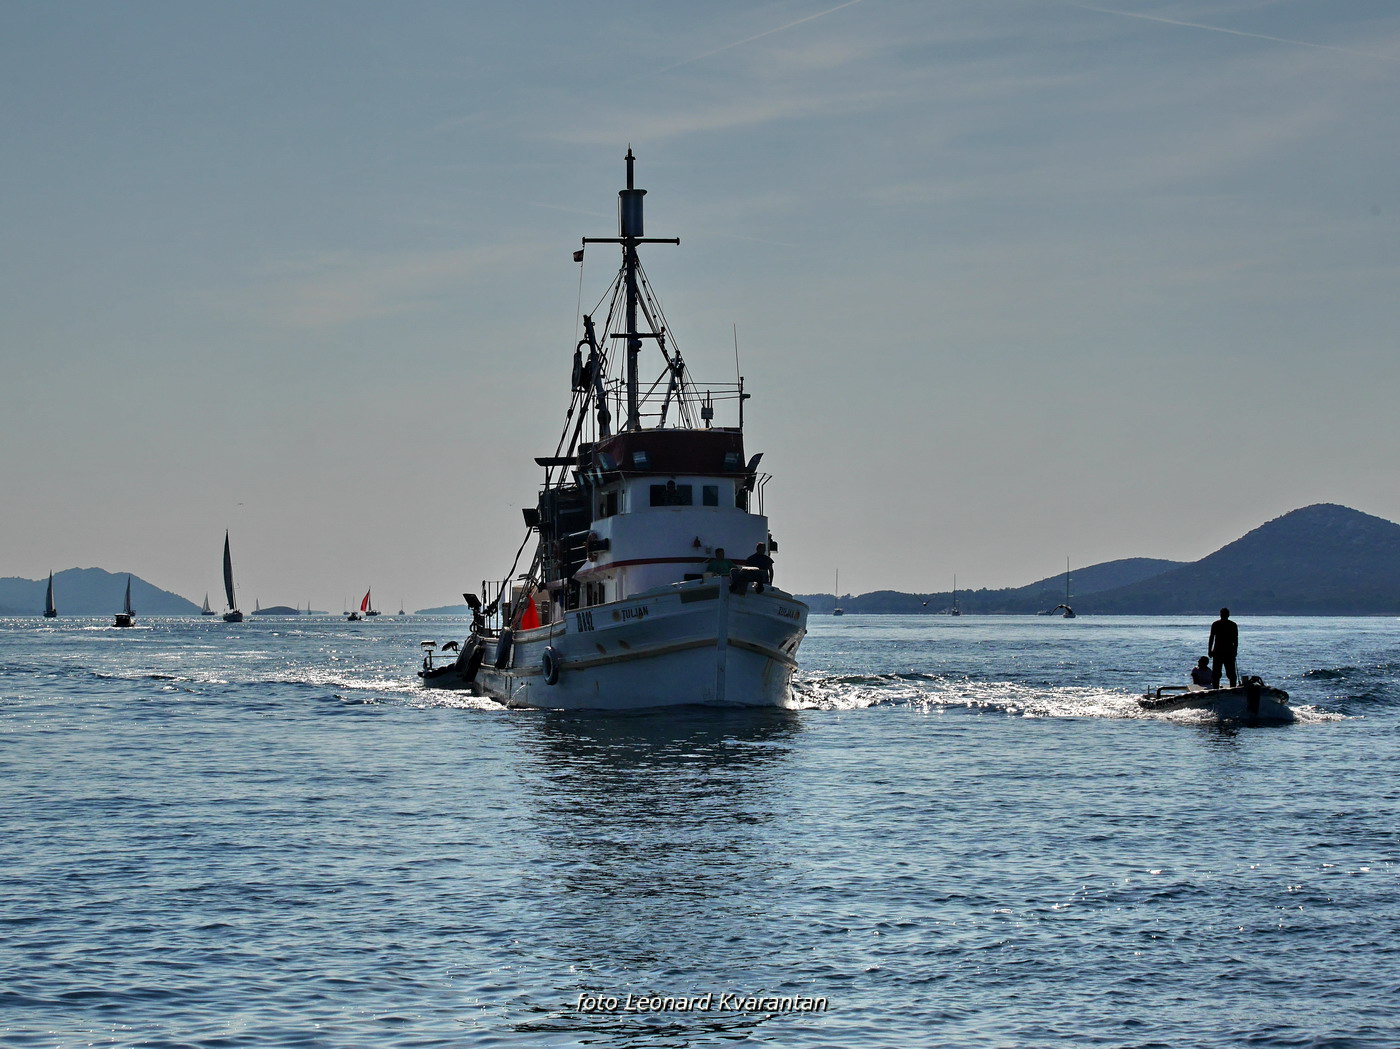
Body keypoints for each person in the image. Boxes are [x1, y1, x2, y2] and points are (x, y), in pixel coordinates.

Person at [1208, 607, 1238, 688]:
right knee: (1218, 673)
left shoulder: (1230, 625)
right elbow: (1212, 638)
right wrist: (1210, 650)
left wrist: (1210, 650)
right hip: (1222, 651)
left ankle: (1229, 688)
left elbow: (1211, 638)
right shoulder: (1231, 624)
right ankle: (1228, 688)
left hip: (1224, 652)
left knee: (1228, 673)